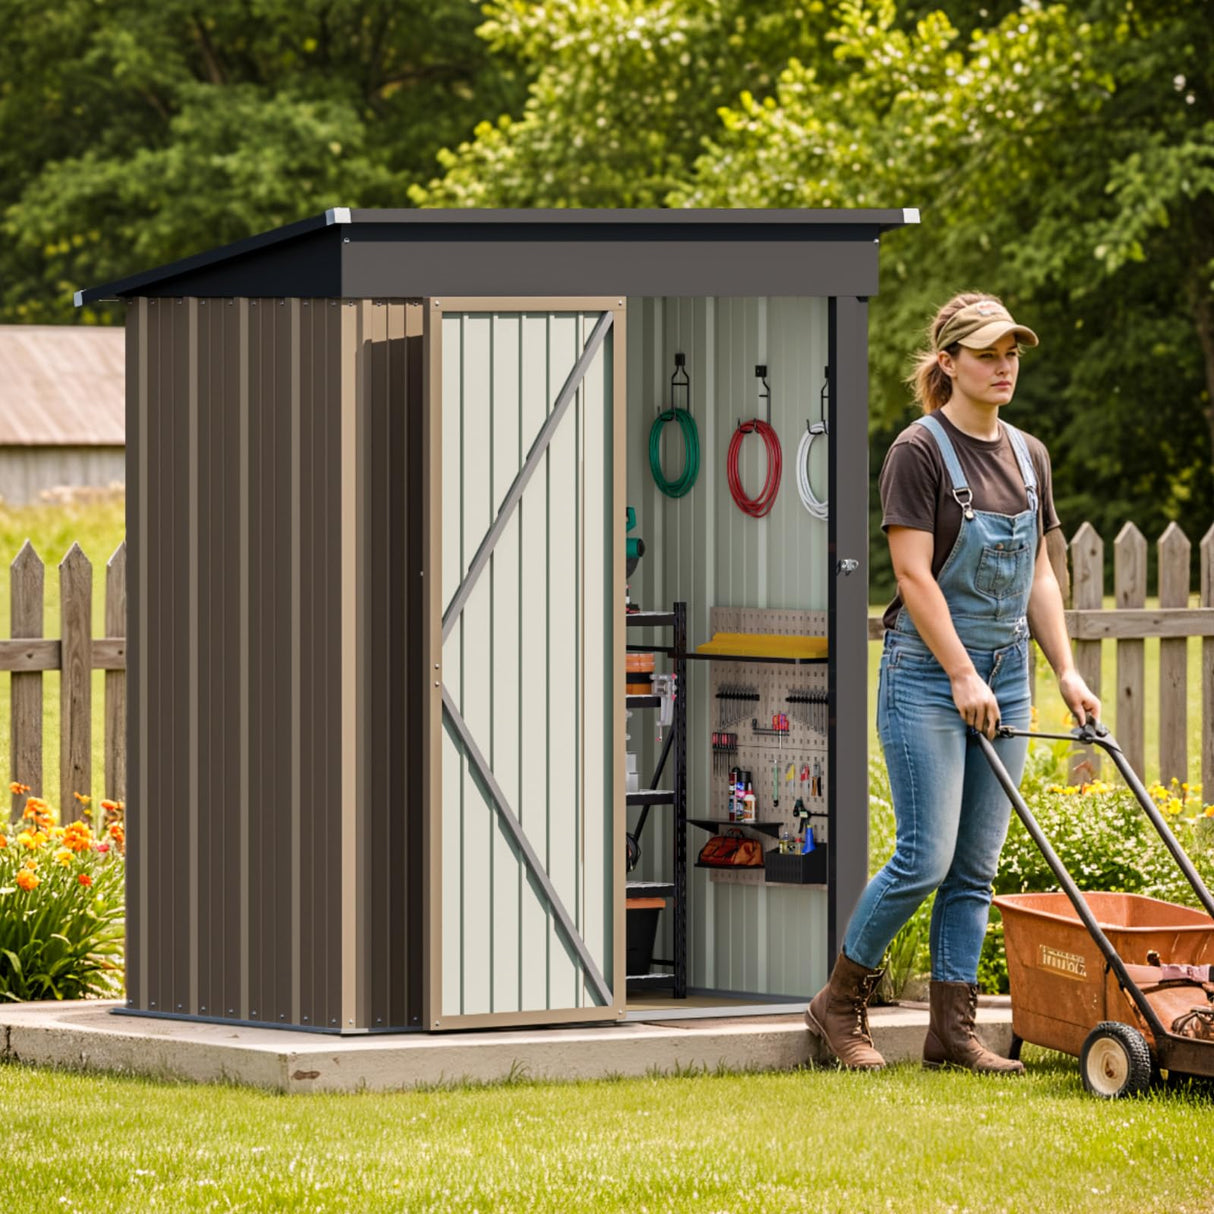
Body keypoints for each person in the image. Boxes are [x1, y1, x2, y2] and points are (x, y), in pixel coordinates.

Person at [805, 292, 1100, 1073]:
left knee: (975, 865)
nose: (1004, 366)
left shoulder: (1029, 454)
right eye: (986, 353)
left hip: (1005, 679)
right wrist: (961, 672)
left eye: (1012, 353)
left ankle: (952, 1031)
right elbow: (912, 573)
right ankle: (838, 1004)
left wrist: (1066, 671)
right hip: (926, 679)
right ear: (948, 362)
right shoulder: (920, 450)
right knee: (924, 857)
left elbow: (1040, 573)